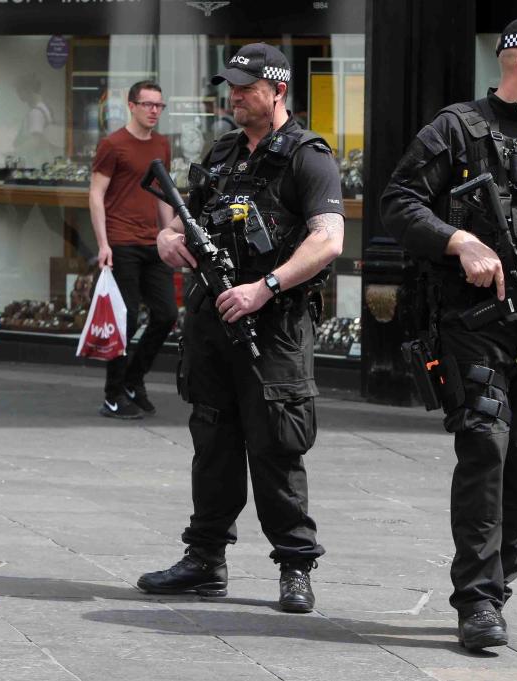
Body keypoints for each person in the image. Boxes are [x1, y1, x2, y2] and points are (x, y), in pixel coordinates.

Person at [381, 12, 517, 649]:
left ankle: (500, 583)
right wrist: (458, 240)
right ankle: (477, 600)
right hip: (474, 327)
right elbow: (398, 202)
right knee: (485, 447)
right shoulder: (457, 128)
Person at [137, 43, 345, 613]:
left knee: (278, 445)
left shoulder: (308, 156)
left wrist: (266, 286)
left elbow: (328, 239)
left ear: (277, 91)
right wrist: (168, 241)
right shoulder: (224, 152)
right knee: (213, 442)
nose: (234, 96)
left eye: (246, 88)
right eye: (230, 86)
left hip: (273, 327)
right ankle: (206, 559)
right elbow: (183, 222)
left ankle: (295, 566)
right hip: (212, 321)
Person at [90, 80, 177, 419]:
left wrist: (171, 235)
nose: (154, 111)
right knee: (123, 320)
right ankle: (113, 395)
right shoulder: (113, 145)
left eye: (159, 105)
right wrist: (103, 245)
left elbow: (163, 194)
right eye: (148, 104)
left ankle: (133, 380)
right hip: (121, 241)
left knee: (167, 314)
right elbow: (96, 194)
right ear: (131, 105)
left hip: (152, 241)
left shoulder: (161, 144)